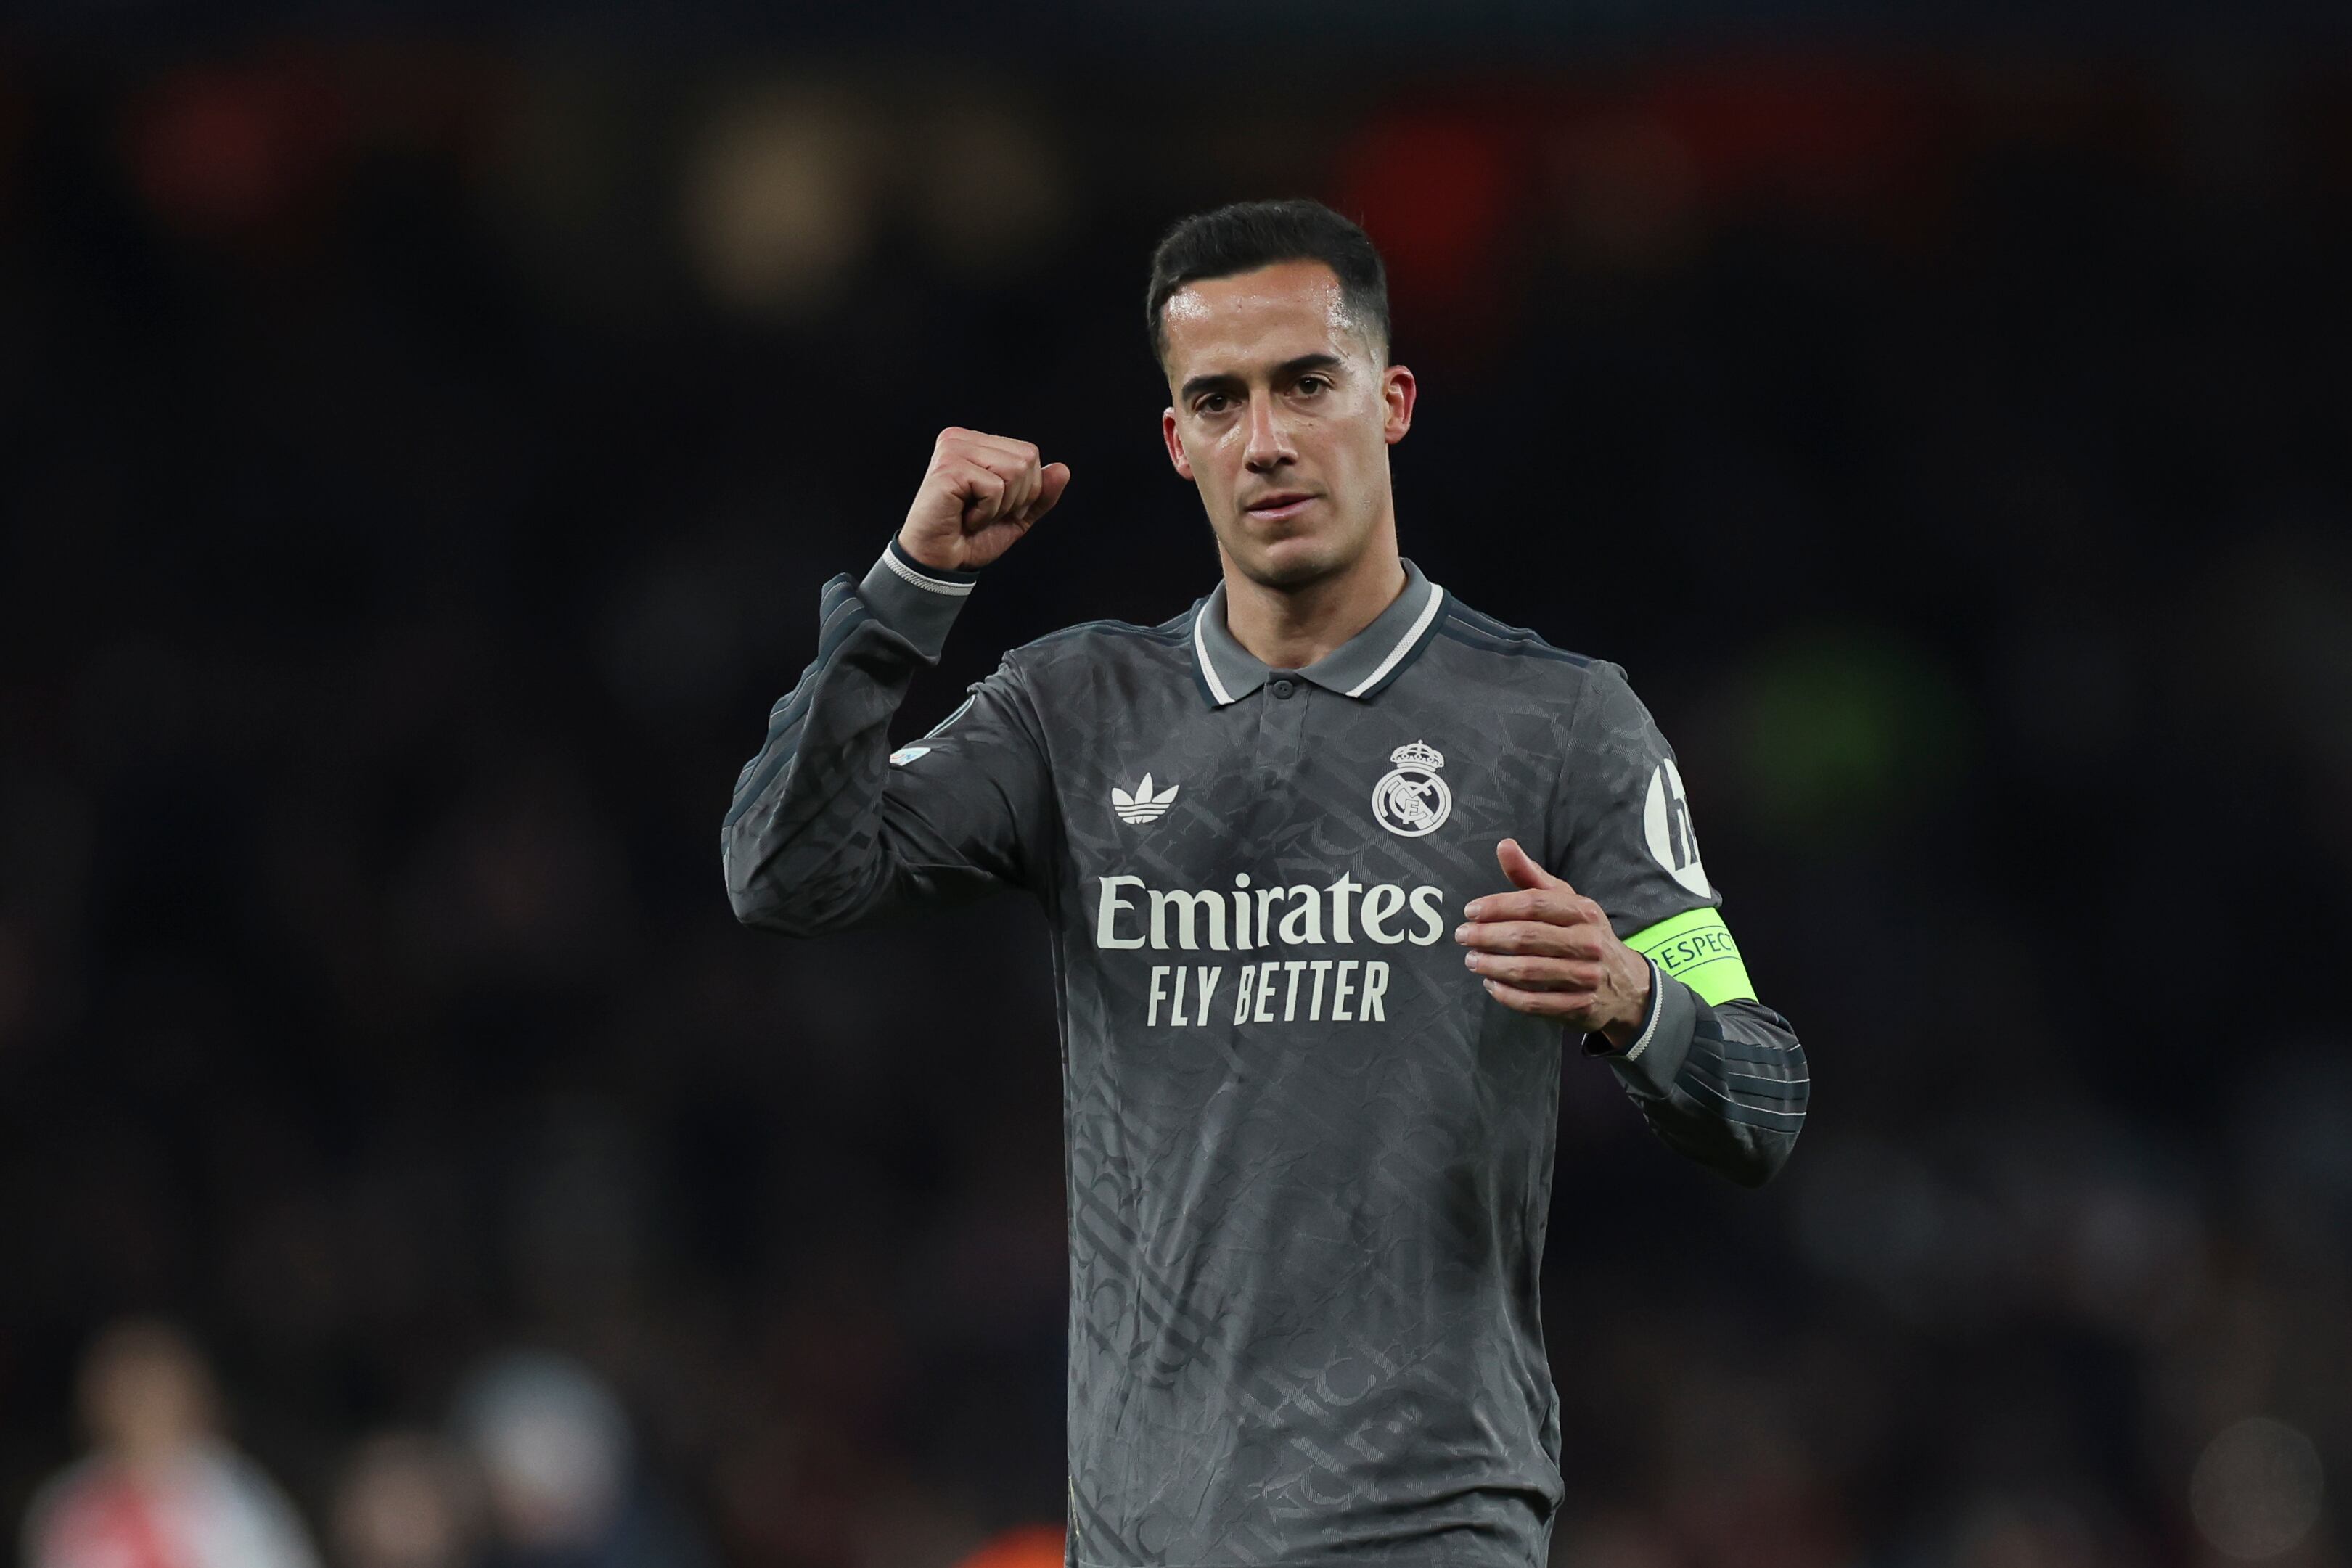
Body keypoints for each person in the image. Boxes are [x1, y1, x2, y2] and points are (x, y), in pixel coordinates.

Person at [724, 198, 1811, 1566]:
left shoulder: (1562, 725)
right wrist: (904, 591)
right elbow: (784, 873)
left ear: (1391, 398)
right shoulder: (1072, 711)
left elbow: (1761, 1094)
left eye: (1307, 383)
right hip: (1143, 1539)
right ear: (1178, 442)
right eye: (1218, 401)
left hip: (1426, 1527)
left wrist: (1633, 996)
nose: (1269, 440)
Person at [22, 1318, 321, 1568]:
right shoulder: (70, 1506)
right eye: (128, 1390)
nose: (144, 1405)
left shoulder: (235, 1495)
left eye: (156, 1387)